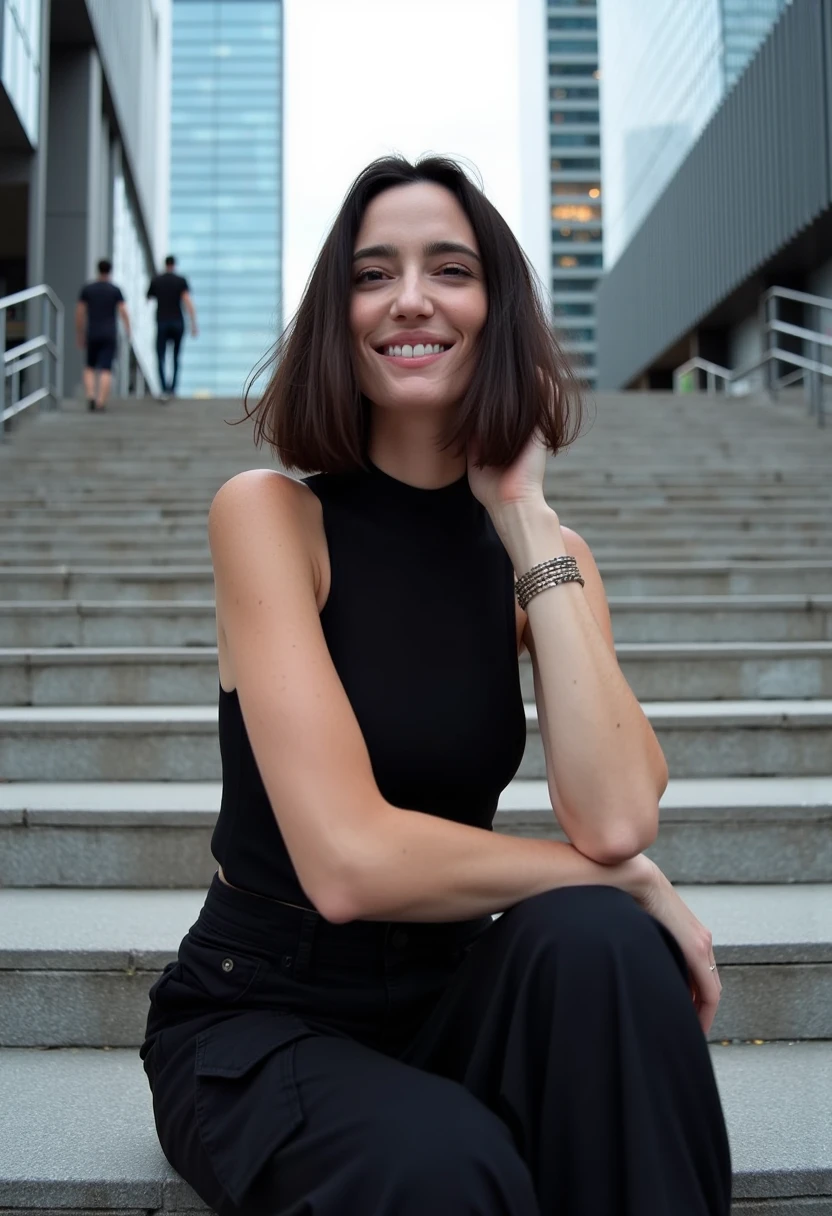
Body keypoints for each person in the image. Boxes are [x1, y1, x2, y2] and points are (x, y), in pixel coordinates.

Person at [141, 156, 731, 1215]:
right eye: (374, 274)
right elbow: (348, 863)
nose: (411, 296)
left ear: (495, 310)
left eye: (448, 269)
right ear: (340, 315)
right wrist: (621, 877)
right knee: (447, 1164)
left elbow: (614, 814)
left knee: (601, 943)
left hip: (453, 990)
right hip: (264, 1013)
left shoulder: (545, 554)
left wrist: (525, 520)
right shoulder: (272, 518)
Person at [76, 259, 131, 412]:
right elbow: (123, 311)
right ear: (110, 271)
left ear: (98, 270)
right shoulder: (115, 290)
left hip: (92, 332)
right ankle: (101, 402)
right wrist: (128, 329)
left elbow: (80, 313)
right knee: (106, 369)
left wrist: (80, 332)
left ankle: (91, 396)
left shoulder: (88, 289)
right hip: (109, 333)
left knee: (89, 367)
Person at [147, 254, 198, 399]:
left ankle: (164, 388)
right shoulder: (180, 281)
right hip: (177, 322)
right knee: (176, 357)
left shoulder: (157, 280)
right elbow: (187, 301)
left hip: (162, 321)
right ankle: (173, 388)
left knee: (161, 356)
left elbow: (149, 297)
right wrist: (193, 323)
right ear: (174, 265)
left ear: (165, 264)